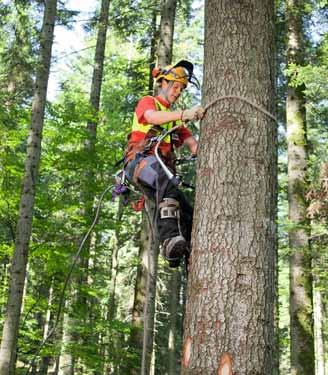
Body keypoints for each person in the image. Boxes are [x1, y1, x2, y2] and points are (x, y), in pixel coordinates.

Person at [124, 60, 205, 267]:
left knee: (187, 211)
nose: (178, 92)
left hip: (159, 171)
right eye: (175, 86)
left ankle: (185, 256)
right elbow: (151, 117)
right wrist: (184, 114)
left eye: (181, 89)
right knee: (165, 179)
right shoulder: (149, 102)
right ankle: (169, 240)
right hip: (140, 163)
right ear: (163, 83)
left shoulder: (176, 122)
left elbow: (193, 145)